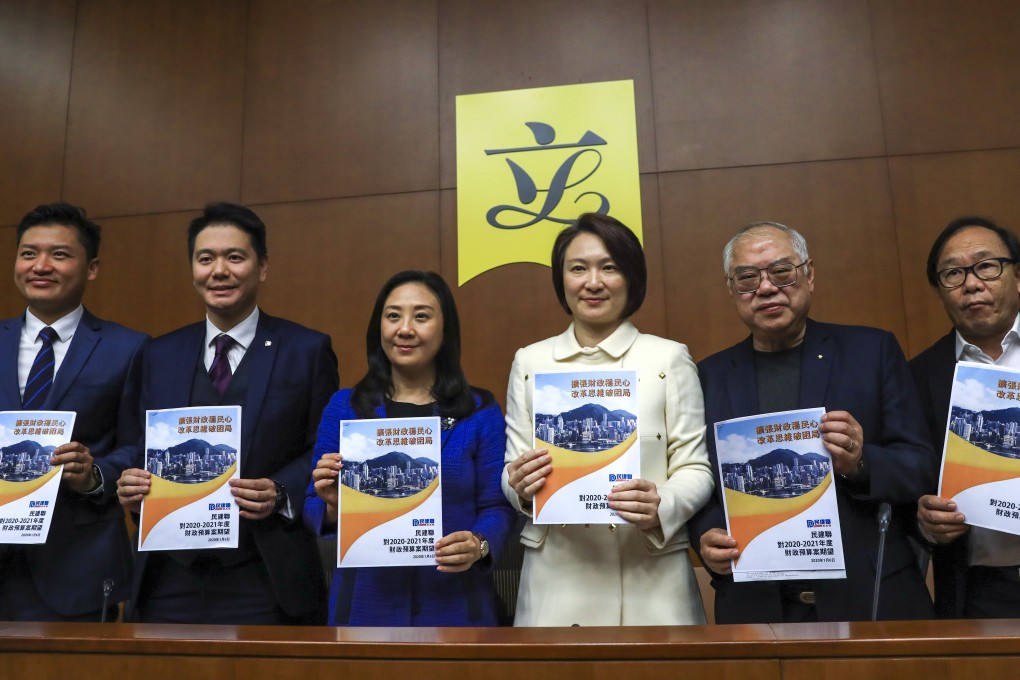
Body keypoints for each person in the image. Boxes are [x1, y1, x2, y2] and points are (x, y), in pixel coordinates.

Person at [690, 220, 935, 623]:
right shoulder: (710, 375)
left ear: (809, 275)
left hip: (869, 599)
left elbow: (922, 466)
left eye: (782, 272)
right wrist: (707, 535)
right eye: (747, 278)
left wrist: (861, 463)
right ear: (731, 289)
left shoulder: (872, 351)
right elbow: (699, 479)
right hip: (758, 608)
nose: (766, 288)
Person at [116, 202, 337, 625]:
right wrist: (128, 481)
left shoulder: (306, 350)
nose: (219, 270)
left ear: (263, 266)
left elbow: (322, 447)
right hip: (167, 574)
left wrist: (281, 491)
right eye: (205, 259)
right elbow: (134, 447)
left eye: (235, 257)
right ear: (193, 269)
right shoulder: (158, 353)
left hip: (267, 574)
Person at [503, 212, 713, 626]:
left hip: (651, 577)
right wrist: (520, 487)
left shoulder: (668, 358)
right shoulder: (530, 361)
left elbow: (695, 465)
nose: (593, 282)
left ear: (631, 277)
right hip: (558, 577)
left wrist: (663, 505)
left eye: (609, 267)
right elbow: (512, 468)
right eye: (578, 268)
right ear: (561, 280)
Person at [306, 270, 514, 626]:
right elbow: (313, 503)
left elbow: (497, 505)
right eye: (393, 316)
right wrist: (331, 506)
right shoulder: (345, 407)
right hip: (363, 606)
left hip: (456, 604)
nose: (405, 329)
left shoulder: (479, 410)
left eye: (421, 316)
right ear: (379, 328)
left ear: (445, 329)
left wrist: (479, 542)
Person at [0, 203, 146, 622]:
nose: (40, 266)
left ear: (92, 267)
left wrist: (94, 475)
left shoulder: (129, 349)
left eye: (59, 254)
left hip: (77, 566)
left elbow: (141, 445)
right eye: (28, 253)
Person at [910, 216, 1020, 618]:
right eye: (953, 273)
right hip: (979, 590)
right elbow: (908, 484)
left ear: (1017, 275)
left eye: (987, 266)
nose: (972, 283)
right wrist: (926, 521)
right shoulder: (918, 376)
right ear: (940, 292)